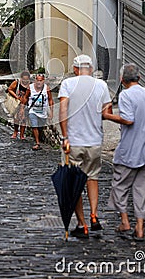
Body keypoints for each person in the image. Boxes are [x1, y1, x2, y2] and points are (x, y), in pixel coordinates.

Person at [102, 63, 145, 241]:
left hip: (129, 151)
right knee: (142, 190)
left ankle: (125, 221)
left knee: (120, 186)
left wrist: (107, 116)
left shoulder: (125, 95)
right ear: (140, 77)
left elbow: (128, 120)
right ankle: (140, 227)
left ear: (122, 80)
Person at [58, 54, 112, 239]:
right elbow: (107, 112)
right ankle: (94, 215)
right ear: (90, 68)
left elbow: (63, 110)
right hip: (95, 141)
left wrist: (65, 136)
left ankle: (82, 224)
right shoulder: (102, 86)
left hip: (74, 142)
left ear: (75, 69)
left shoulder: (68, 84)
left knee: (74, 184)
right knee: (92, 179)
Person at [25, 73, 54, 151]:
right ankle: (37, 143)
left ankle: (39, 138)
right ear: (35, 80)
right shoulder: (30, 88)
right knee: (34, 126)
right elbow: (25, 98)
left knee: (40, 127)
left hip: (42, 112)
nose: (38, 82)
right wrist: (22, 108)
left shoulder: (46, 89)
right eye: (37, 80)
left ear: (43, 81)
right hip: (32, 110)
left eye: (40, 80)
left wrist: (51, 112)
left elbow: (50, 100)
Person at [7, 71, 31, 140]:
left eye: (27, 79)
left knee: (24, 118)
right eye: (24, 79)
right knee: (16, 118)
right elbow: (10, 89)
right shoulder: (16, 83)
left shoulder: (30, 85)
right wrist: (16, 96)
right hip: (17, 103)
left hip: (25, 103)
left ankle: (22, 134)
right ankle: (15, 132)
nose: (25, 81)